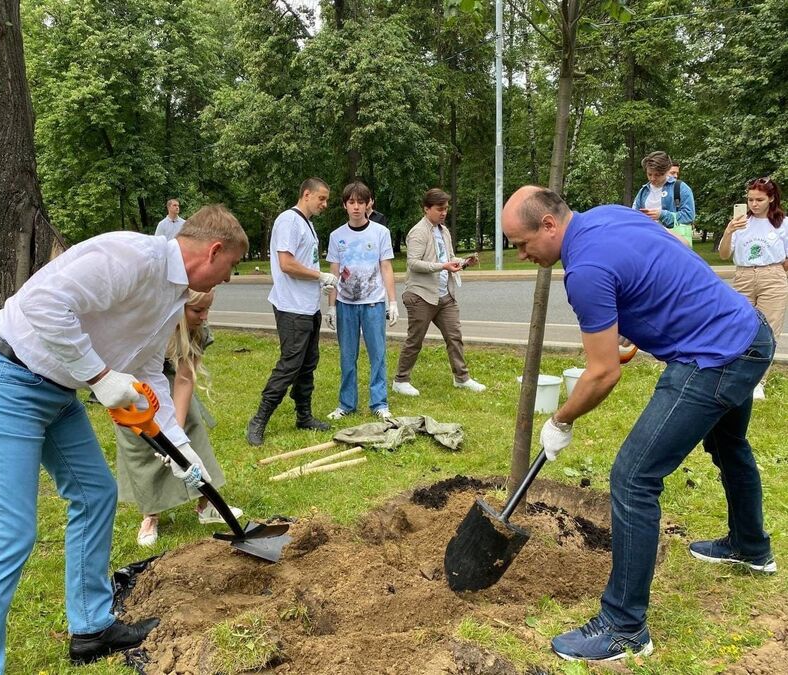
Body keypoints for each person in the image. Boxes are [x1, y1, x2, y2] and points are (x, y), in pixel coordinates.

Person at [0, 205, 247, 672]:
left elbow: (147, 369)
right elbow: (41, 304)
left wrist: (180, 446)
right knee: (7, 533)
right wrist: (100, 375)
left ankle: (91, 627)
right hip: (6, 380)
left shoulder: (171, 295)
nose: (229, 278)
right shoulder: (132, 256)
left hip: (57, 392)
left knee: (95, 495)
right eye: (231, 266)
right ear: (213, 251)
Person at [502, 186, 775, 663]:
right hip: (748, 333)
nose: (523, 256)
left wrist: (560, 420)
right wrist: (633, 327)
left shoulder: (584, 271)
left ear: (548, 224)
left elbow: (602, 373)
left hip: (713, 358)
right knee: (729, 445)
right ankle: (750, 547)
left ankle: (624, 627)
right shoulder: (606, 216)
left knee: (633, 478)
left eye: (523, 245)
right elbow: (654, 265)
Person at [114, 290, 243, 546]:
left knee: (192, 439)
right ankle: (150, 515)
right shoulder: (145, 324)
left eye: (208, 309)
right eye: (197, 310)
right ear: (177, 307)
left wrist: (176, 433)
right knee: (143, 452)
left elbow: (184, 379)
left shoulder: (197, 330)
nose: (205, 317)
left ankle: (207, 504)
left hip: (173, 384)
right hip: (135, 388)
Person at [246, 178, 338, 446]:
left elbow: (304, 262)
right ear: (306, 194)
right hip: (292, 307)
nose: (324, 204)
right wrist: (320, 276)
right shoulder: (289, 220)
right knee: (290, 365)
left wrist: (318, 282)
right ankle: (259, 419)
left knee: (308, 364)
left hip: (308, 306)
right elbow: (286, 264)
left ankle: (304, 416)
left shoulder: (307, 223)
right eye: (321, 198)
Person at [392, 188, 485, 396]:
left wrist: (464, 262)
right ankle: (400, 380)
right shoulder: (418, 232)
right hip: (421, 295)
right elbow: (413, 263)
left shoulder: (444, 231)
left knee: (455, 337)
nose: (444, 213)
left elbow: (449, 258)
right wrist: (442, 266)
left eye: (446, 209)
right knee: (415, 340)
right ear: (426, 209)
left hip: (445, 295)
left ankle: (461, 378)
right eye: (439, 209)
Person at [325, 181, 398, 420]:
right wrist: (331, 307)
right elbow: (334, 273)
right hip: (346, 305)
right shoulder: (336, 236)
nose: (356, 207)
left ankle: (379, 403)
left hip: (373, 303)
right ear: (344, 205)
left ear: (368, 205)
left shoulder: (380, 233)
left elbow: (386, 267)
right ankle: (346, 404)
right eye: (351, 202)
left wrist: (392, 302)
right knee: (347, 356)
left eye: (360, 202)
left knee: (378, 355)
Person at [718, 177, 788, 400]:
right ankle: (736, 378)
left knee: (769, 330)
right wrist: (729, 231)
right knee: (740, 327)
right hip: (744, 275)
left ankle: (759, 382)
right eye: (750, 199)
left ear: (771, 199)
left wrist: (777, 274)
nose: (754, 204)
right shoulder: (740, 222)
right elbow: (724, 254)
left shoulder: (782, 223)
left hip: (772, 275)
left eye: (759, 199)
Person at [632, 151, 695, 247]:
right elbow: (634, 216)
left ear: (667, 171)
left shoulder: (681, 188)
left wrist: (662, 215)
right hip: (648, 243)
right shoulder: (643, 191)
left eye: (657, 175)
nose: (652, 178)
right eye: (649, 174)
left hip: (672, 244)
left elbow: (689, 216)